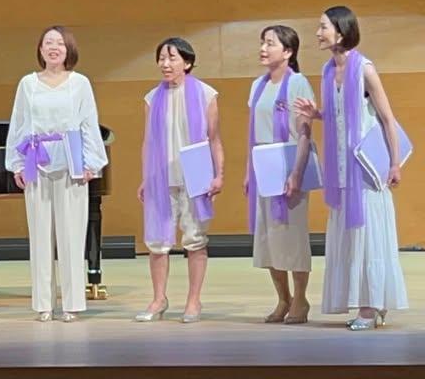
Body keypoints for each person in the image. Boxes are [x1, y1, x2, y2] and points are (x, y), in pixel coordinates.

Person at [294, 6, 409, 330]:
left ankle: (371, 308)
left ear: (341, 31)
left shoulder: (365, 69)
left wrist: (395, 163)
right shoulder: (328, 70)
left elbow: (387, 118)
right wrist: (317, 114)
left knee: (369, 237)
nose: (318, 33)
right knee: (350, 237)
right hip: (341, 170)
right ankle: (370, 303)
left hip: (366, 171)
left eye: (323, 27)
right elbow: (340, 116)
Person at [4, 26, 108, 322]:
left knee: (71, 234)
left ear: (68, 49)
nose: (53, 47)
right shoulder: (28, 84)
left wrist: (92, 163)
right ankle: (44, 304)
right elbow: (18, 123)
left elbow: (89, 123)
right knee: (40, 235)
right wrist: (17, 163)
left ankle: (73, 303)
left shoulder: (80, 83)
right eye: (48, 42)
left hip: (71, 161)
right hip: (36, 160)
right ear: (40, 49)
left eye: (59, 43)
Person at [135, 38, 223, 324]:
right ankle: (159, 299)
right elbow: (148, 142)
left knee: (195, 240)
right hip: (161, 177)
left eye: (171, 58)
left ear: (187, 62)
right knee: (157, 242)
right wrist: (146, 177)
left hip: (196, 175)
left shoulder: (206, 94)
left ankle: (194, 300)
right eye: (161, 58)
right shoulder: (152, 98)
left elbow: (214, 139)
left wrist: (219, 174)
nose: (165, 63)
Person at [244, 26, 316, 324]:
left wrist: (296, 173)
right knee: (269, 237)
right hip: (264, 166)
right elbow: (253, 133)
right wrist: (249, 172)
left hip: (289, 162)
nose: (263, 48)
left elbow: (304, 133)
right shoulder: (257, 85)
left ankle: (300, 299)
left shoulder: (298, 83)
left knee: (292, 235)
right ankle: (283, 299)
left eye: (270, 43)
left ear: (288, 51)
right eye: (262, 42)